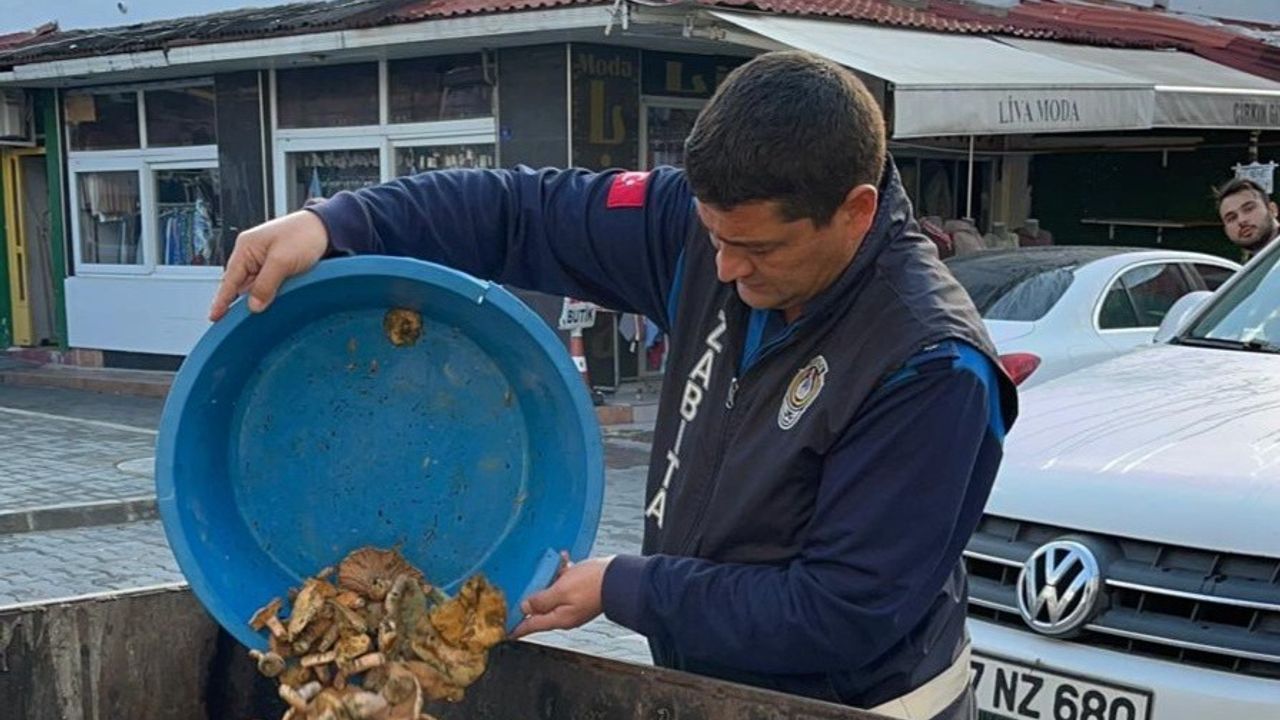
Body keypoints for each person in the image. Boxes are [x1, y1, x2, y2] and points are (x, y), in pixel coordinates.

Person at [210, 51, 1017, 720]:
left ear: (855, 210)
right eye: (715, 238)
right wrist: (339, 223)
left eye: (757, 249)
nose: (727, 271)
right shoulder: (697, 235)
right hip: (717, 687)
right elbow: (519, 212)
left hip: (862, 707)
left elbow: (839, 615)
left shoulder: (931, 367)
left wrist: (630, 586)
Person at [1216, 177, 1279, 259]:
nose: (1241, 220)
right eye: (1231, 218)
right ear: (1226, 231)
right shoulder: (1250, 269)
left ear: (1272, 209)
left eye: (1248, 209)